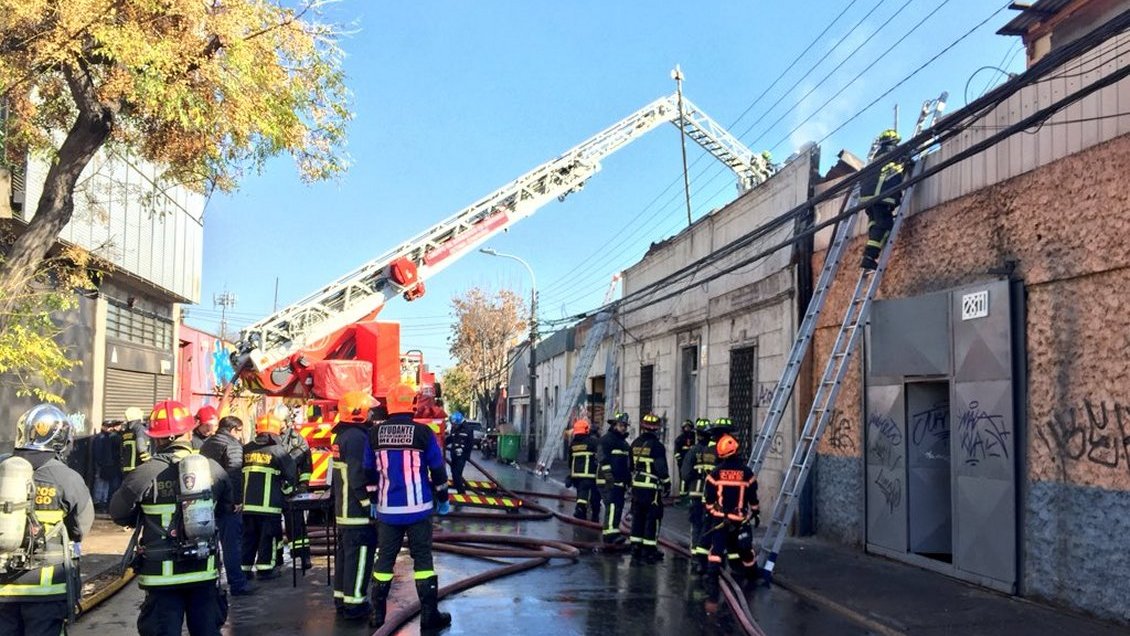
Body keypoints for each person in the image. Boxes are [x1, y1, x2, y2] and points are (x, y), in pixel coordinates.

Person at [110, 400, 233, 636]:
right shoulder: (213, 469)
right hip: (203, 570)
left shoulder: (143, 474)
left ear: (157, 438)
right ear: (188, 432)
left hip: (162, 577)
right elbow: (226, 508)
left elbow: (118, 513)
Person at [0, 404, 94, 636]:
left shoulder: (3, 468)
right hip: (46, 588)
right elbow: (80, 529)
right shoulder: (66, 477)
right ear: (61, 440)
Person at [368, 383, 451, 630]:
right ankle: (429, 616)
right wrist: (443, 499)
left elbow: (368, 471)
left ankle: (377, 615)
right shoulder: (423, 433)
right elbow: (437, 469)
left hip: (387, 510)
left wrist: (373, 500)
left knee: (385, 559)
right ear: (412, 404)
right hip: (419, 508)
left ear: (389, 405)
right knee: (423, 559)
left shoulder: (374, 434)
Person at [331, 391, 378, 621]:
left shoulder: (342, 436)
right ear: (359, 412)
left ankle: (342, 599)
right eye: (369, 410)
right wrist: (368, 504)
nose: (372, 413)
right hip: (356, 513)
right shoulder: (358, 438)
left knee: (346, 558)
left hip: (344, 511)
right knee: (359, 559)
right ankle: (355, 605)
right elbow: (357, 475)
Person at [200, 416, 254, 595]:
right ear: (233, 429)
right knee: (232, 545)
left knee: (210, 545)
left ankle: (212, 583)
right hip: (227, 503)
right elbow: (234, 473)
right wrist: (236, 501)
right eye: (240, 431)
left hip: (208, 499)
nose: (241, 435)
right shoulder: (232, 445)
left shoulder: (208, 443)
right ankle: (238, 584)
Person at [702, 434, 759, 600]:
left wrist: (711, 512)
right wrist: (755, 511)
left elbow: (709, 499)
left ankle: (712, 576)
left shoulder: (715, 474)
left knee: (717, 548)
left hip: (720, 519)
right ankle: (751, 574)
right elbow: (752, 496)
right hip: (739, 519)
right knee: (744, 547)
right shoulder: (747, 473)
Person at [240, 414, 296, 580]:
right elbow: (290, 475)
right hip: (269, 506)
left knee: (248, 538)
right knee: (267, 538)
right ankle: (265, 569)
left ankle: (245, 569)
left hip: (247, 506)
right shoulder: (278, 451)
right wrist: (288, 492)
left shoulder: (245, 449)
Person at [860, 128, 909, 270]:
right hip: (882, 196)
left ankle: (872, 248)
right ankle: (869, 257)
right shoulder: (895, 152)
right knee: (885, 224)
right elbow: (908, 160)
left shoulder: (875, 159)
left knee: (874, 224)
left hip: (868, 199)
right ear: (894, 141)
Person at [628, 413, 669, 564]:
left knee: (638, 515)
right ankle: (649, 548)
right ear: (656, 429)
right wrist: (667, 483)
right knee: (653, 517)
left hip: (637, 487)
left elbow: (630, 465)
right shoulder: (657, 446)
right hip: (651, 489)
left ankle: (635, 546)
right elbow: (661, 467)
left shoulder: (635, 443)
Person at [277, 406, 313, 571]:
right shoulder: (268, 439)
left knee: (296, 525)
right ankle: (276, 559)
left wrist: (303, 485)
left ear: (286, 422)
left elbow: (306, 466)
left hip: (293, 490)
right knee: (272, 527)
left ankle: (303, 557)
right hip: (273, 490)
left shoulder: (297, 440)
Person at [680, 418, 717, 573]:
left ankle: (696, 556)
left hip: (696, 493)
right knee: (710, 525)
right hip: (712, 496)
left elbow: (685, 474)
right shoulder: (716, 451)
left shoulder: (692, 451)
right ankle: (709, 555)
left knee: (696, 525)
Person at [597, 412, 632, 544]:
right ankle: (609, 535)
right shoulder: (607, 440)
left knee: (618, 506)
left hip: (619, 482)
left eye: (625, 426)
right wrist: (608, 476)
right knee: (612, 506)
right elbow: (602, 458)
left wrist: (628, 480)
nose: (623, 428)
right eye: (621, 425)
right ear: (614, 425)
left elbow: (627, 465)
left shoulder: (624, 444)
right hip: (607, 480)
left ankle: (614, 531)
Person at [565, 418, 600, 522]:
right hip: (590, 475)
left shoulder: (573, 444)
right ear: (586, 430)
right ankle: (594, 516)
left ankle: (580, 511)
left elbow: (570, 461)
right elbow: (600, 456)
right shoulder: (592, 442)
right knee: (594, 496)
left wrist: (570, 474)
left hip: (576, 475)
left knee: (581, 495)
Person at [92, 419, 123, 512]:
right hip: (103, 464)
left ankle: (102, 501)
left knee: (105, 483)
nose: (110, 428)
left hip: (107, 464)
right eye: (108, 427)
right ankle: (98, 501)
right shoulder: (101, 438)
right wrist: (101, 463)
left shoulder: (107, 437)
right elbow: (98, 452)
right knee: (100, 483)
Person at [443, 411, 473, 496]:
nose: (453, 426)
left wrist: (465, 454)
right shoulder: (454, 429)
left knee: (457, 475)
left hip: (461, 457)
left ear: (459, 422)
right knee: (454, 474)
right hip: (454, 456)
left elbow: (470, 444)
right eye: (452, 424)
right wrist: (442, 443)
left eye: (454, 424)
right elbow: (451, 438)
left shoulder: (468, 429)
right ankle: (459, 491)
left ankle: (462, 493)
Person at [120, 406, 152, 475]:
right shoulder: (139, 429)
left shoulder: (126, 431)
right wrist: (149, 463)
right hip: (138, 468)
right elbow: (141, 447)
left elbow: (122, 449)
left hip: (126, 468)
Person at [673, 420, 697, 503]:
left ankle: (690, 496)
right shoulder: (679, 439)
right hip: (683, 462)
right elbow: (676, 452)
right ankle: (683, 497)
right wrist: (680, 462)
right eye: (686, 427)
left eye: (689, 427)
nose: (687, 429)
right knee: (683, 479)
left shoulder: (695, 438)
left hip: (693, 463)